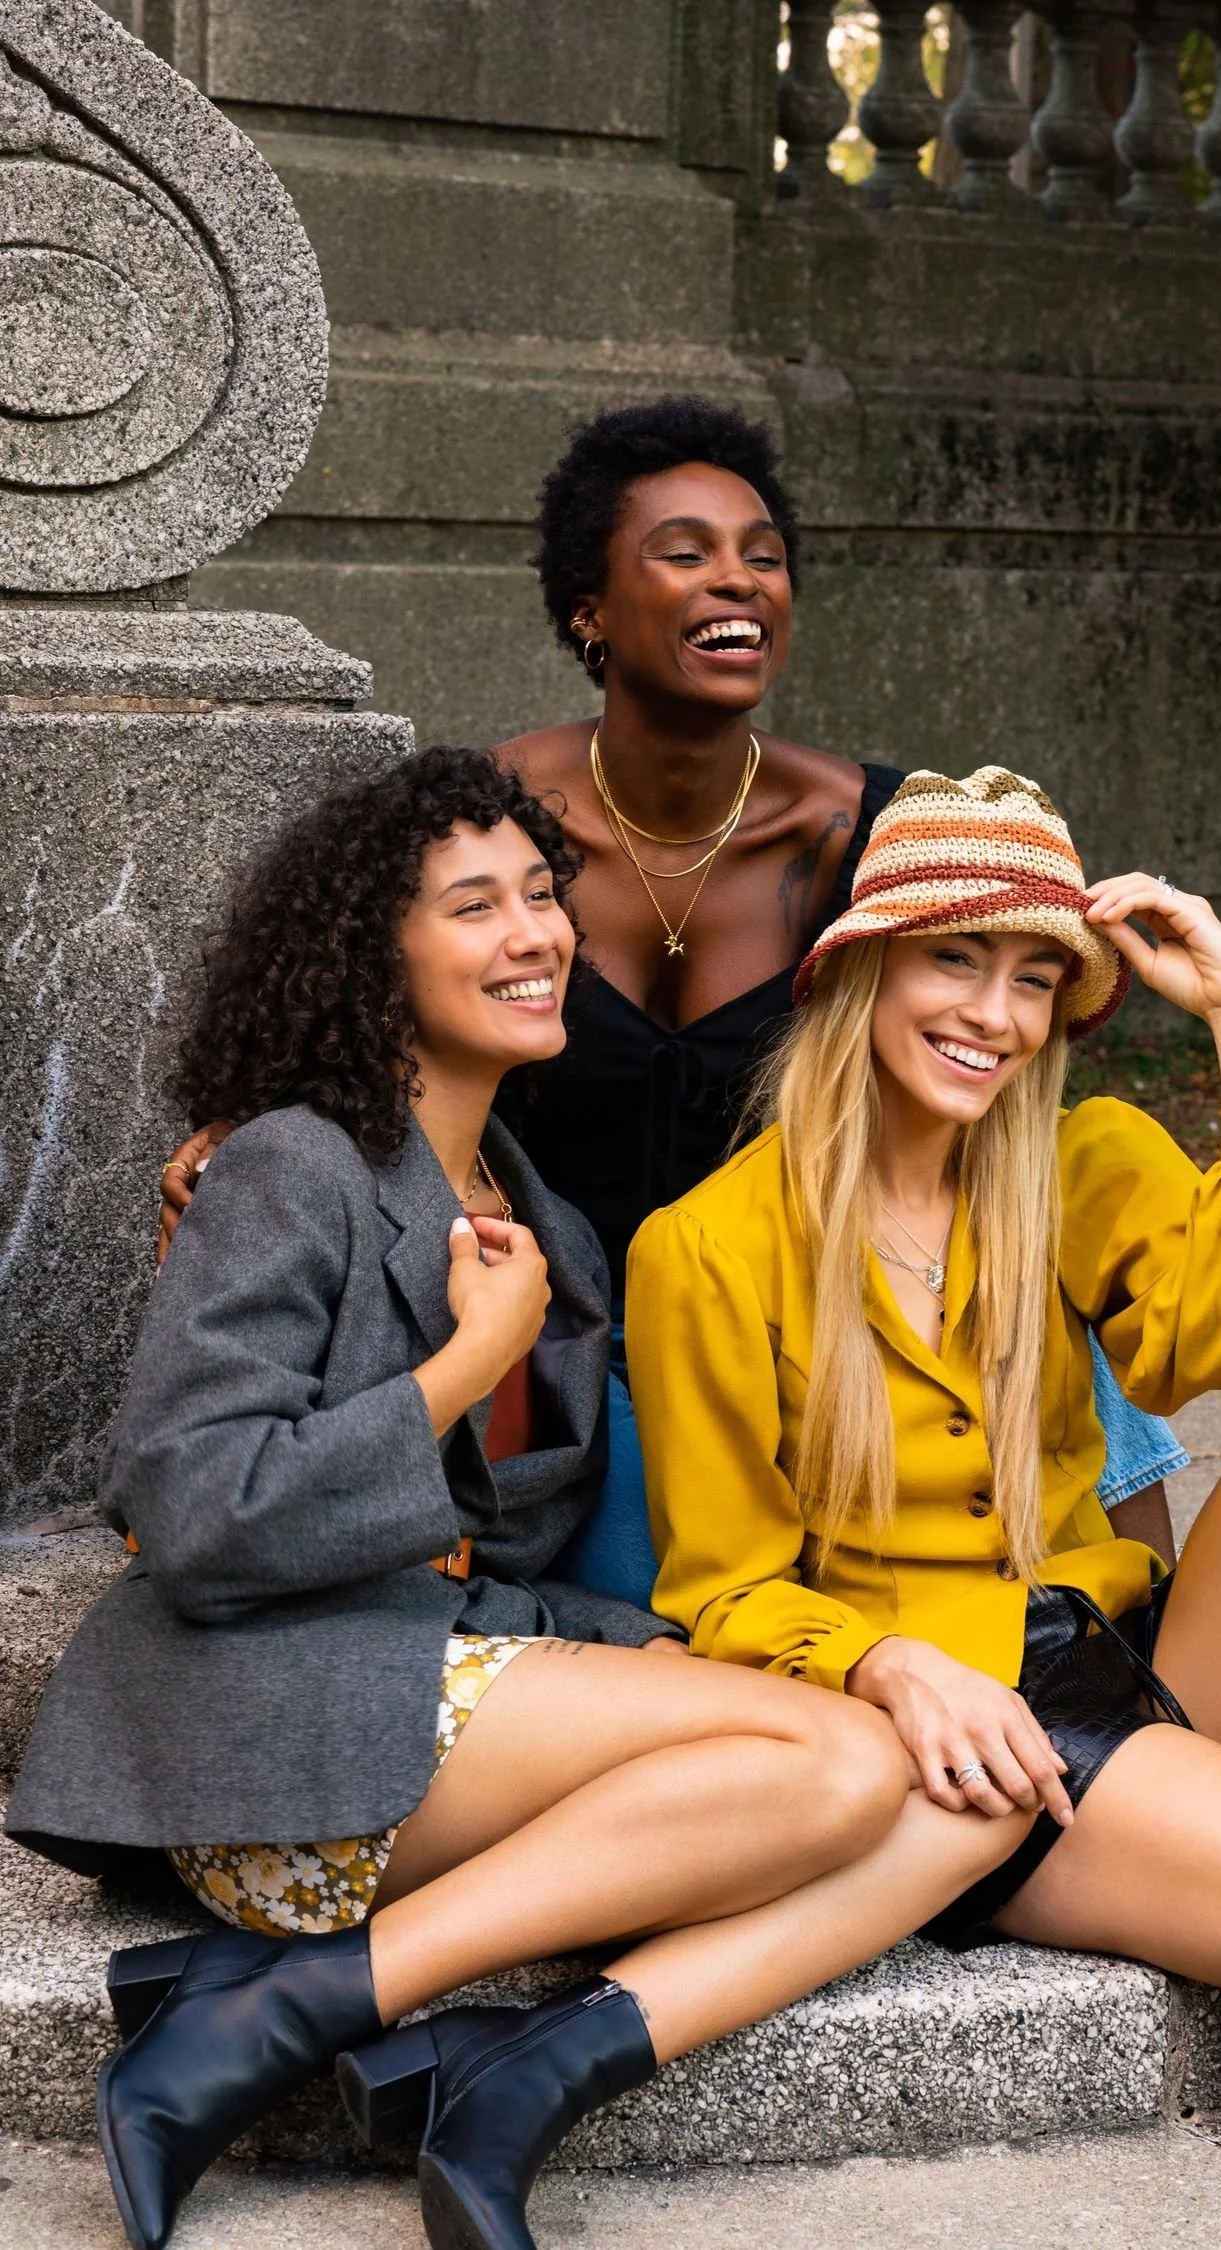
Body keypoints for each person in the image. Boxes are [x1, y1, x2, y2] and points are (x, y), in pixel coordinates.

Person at [9, 748, 1040, 2250]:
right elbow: (190, 1511)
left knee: (917, 1780)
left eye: (545, 896)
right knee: (839, 1763)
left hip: (434, 1696)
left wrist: (643, 1651)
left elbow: (501, 1559)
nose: (535, 931)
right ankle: (299, 2003)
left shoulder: (541, 1216)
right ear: (376, 957)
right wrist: (460, 1367)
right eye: (474, 904)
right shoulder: (293, 1164)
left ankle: (404, 2049)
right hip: (269, 1718)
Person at [157, 397, 1187, 1582]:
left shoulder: (883, 832)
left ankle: (1144, 1654)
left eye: (764, 556)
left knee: (1038, 1280)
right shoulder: (482, 830)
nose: (738, 580)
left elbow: (992, 1066)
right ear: (589, 609)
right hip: (574, 1341)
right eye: (685, 553)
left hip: (833, 1318)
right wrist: (250, 1129)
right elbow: (359, 1005)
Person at [626, 764, 1221, 2109]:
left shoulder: (1077, 1160)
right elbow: (723, 1591)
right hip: (1003, 1756)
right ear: (863, 972)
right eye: (957, 961)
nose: (996, 1014)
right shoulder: (705, 1250)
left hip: (1146, 1668)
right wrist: (888, 1663)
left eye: (1036, 977)